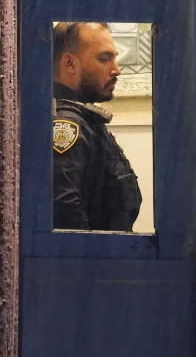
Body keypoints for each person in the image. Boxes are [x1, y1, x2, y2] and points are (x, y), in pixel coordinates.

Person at [51, 21, 142, 231]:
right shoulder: (67, 122)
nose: (116, 70)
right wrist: (96, 262)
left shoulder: (84, 118)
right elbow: (65, 210)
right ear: (70, 63)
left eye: (114, 59)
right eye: (104, 59)